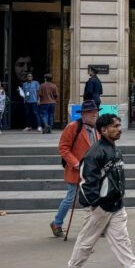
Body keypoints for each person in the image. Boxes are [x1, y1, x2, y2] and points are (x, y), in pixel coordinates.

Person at [65, 113, 135, 268]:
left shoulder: (114, 149)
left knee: (122, 239)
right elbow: (86, 182)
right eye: (115, 126)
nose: (119, 129)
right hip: (101, 206)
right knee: (87, 241)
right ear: (104, 130)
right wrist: (96, 204)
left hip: (116, 204)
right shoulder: (94, 153)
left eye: (119, 126)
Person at [51, 99, 98, 237]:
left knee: (97, 198)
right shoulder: (73, 127)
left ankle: (97, 225)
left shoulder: (98, 128)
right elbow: (63, 148)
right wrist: (76, 163)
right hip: (76, 169)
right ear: (83, 114)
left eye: (95, 112)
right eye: (91, 112)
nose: (94, 115)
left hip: (93, 171)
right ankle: (57, 223)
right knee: (71, 198)